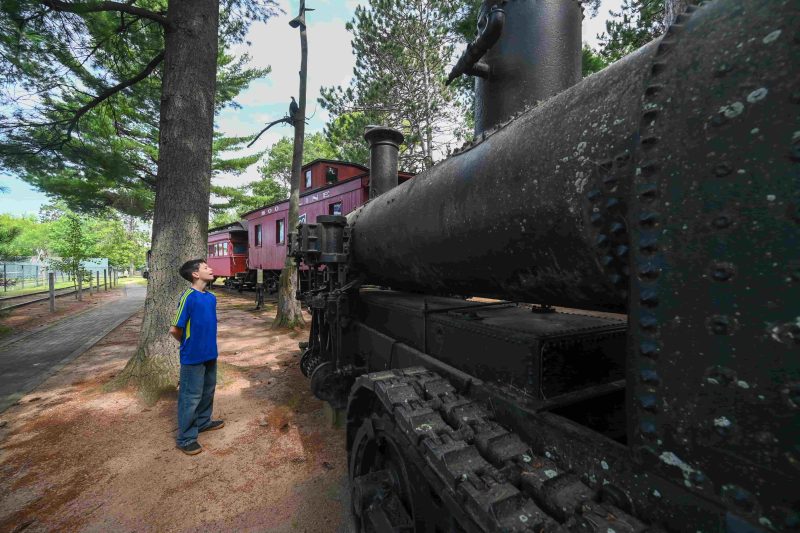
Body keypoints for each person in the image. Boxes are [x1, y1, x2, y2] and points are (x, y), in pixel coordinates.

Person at [169, 259, 224, 455]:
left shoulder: (211, 297)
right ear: (195, 274)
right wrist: (187, 344)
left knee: (208, 390)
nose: (210, 269)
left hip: (210, 353)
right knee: (190, 397)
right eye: (205, 268)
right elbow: (174, 329)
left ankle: (203, 422)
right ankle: (186, 438)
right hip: (192, 356)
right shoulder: (188, 297)